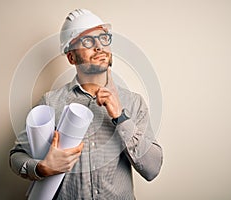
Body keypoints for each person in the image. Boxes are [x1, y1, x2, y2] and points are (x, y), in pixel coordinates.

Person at [9, 8, 163, 199]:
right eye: (88, 41)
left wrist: (121, 117)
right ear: (71, 57)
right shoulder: (51, 102)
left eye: (103, 38)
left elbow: (152, 169)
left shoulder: (133, 103)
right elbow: (16, 156)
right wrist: (42, 168)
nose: (99, 47)